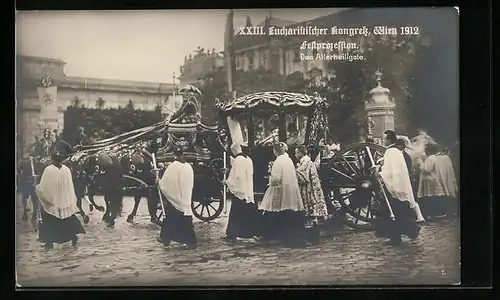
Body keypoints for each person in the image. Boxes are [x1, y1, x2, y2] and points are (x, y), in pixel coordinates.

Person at [375, 130, 420, 246]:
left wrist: (380, 174)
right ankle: (406, 232)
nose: (384, 141)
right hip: (399, 184)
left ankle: (398, 235)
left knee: (394, 211)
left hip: (395, 186)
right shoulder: (396, 151)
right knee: (400, 211)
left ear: (389, 140)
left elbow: (391, 170)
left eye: (385, 139)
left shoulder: (390, 152)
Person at [258, 142, 306, 247]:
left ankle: (268, 235)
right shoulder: (288, 160)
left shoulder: (278, 161)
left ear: (275, 151)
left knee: (271, 209)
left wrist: (269, 176)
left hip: (281, 190)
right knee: (288, 210)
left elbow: (276, 179)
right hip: (291, 189)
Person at [35, 150, 85, 251]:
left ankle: (49, 241)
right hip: (65, 199)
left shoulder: (49, 170)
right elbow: (70, 186)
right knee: (68, 218)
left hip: (53, 201)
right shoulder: (66, 169)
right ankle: (73, 237)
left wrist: (37, 187)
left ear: (51, 158)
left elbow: (45, 188)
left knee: (48, 219)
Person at [157, 147, 197, 250]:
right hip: (185, 197)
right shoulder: (188, 166)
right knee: (184, 220)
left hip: (175, 198)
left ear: (174, 155)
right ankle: (166, 238)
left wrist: (159, 182)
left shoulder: (173, 166)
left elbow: (167, 183)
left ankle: (167, 238)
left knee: (171, 218)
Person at [222, 142, 259, 242]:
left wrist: (228, 182)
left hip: (240, 190)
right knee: (247, 211)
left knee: (236, 213)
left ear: (234, 150)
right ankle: (249, 232)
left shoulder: (238, 160)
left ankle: (232, 234)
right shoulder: (248, 159)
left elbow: (237, 176)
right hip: (247, 188)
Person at [295, 145, 329, 245]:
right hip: (313, 190)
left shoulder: (305, 163)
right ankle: (315, 237)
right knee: (313, 216)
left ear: (301, 153)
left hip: (308, 191)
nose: (295, 154)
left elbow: (303, 178)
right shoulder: (309, 162)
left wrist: (294, 173)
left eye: (296, 152)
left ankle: (312, 237)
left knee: (309, 214)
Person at [395, 139, 425, 223]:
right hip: (404, 179)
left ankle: (418, 216)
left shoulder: (405, 156)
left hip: (405, 179)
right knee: (409, 198)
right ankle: (418, 217)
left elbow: (405, 169)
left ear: (400, 146)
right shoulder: (403, 155)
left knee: (410, 198)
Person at [417, 143, 447, 219]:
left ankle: (435, 213)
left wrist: (421, 163)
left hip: (430, 181)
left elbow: (427, 169)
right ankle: (437, 213)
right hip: (431, 180)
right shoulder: (433, 157)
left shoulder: (431, 158)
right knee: (433, 197)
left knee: (432, 197)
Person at [435, 146, 459, 218]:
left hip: (444, 178)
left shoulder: (441, 158)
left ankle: (450, 211)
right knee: (452, 192)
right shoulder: (446, 158)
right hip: (450, 177)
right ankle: (453, 211)